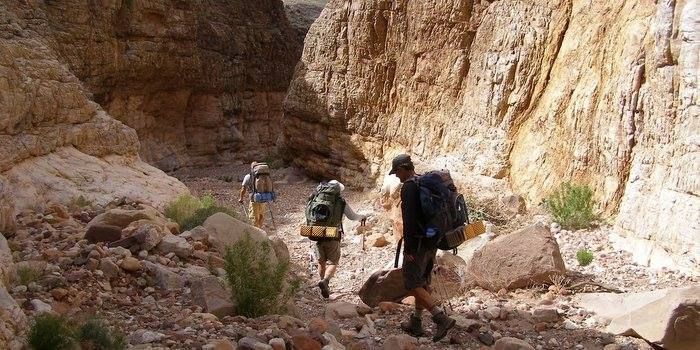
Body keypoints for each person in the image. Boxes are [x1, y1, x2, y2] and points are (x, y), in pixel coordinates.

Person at [389, 154, 456, 342]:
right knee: (424, 281)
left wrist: (408, 250)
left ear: (403, 168)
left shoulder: (409, 187)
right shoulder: (423, 183)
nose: (396, 176)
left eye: (397, 172)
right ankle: (416, 322)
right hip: (431, 239)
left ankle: (440, 318)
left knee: (412, 283)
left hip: (417, 243)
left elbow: (409, 221)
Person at [309, 180, 367, 298]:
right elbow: (352, 216)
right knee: (333, 262)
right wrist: (363, 217)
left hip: (316, 233)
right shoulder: (340, 201)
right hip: (332, 234)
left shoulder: (316, 198)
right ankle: (325, 281)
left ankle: (321, 281)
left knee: (321, 261)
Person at [238, 162, 271, 228]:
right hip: (263, 198)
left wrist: (241, 198)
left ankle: (255, 233)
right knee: (261, 215)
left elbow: (243, 189)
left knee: (254, 217)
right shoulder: (264, 176)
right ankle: (260, 229)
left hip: (254, 199)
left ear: (252, 168)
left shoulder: (248, 176)